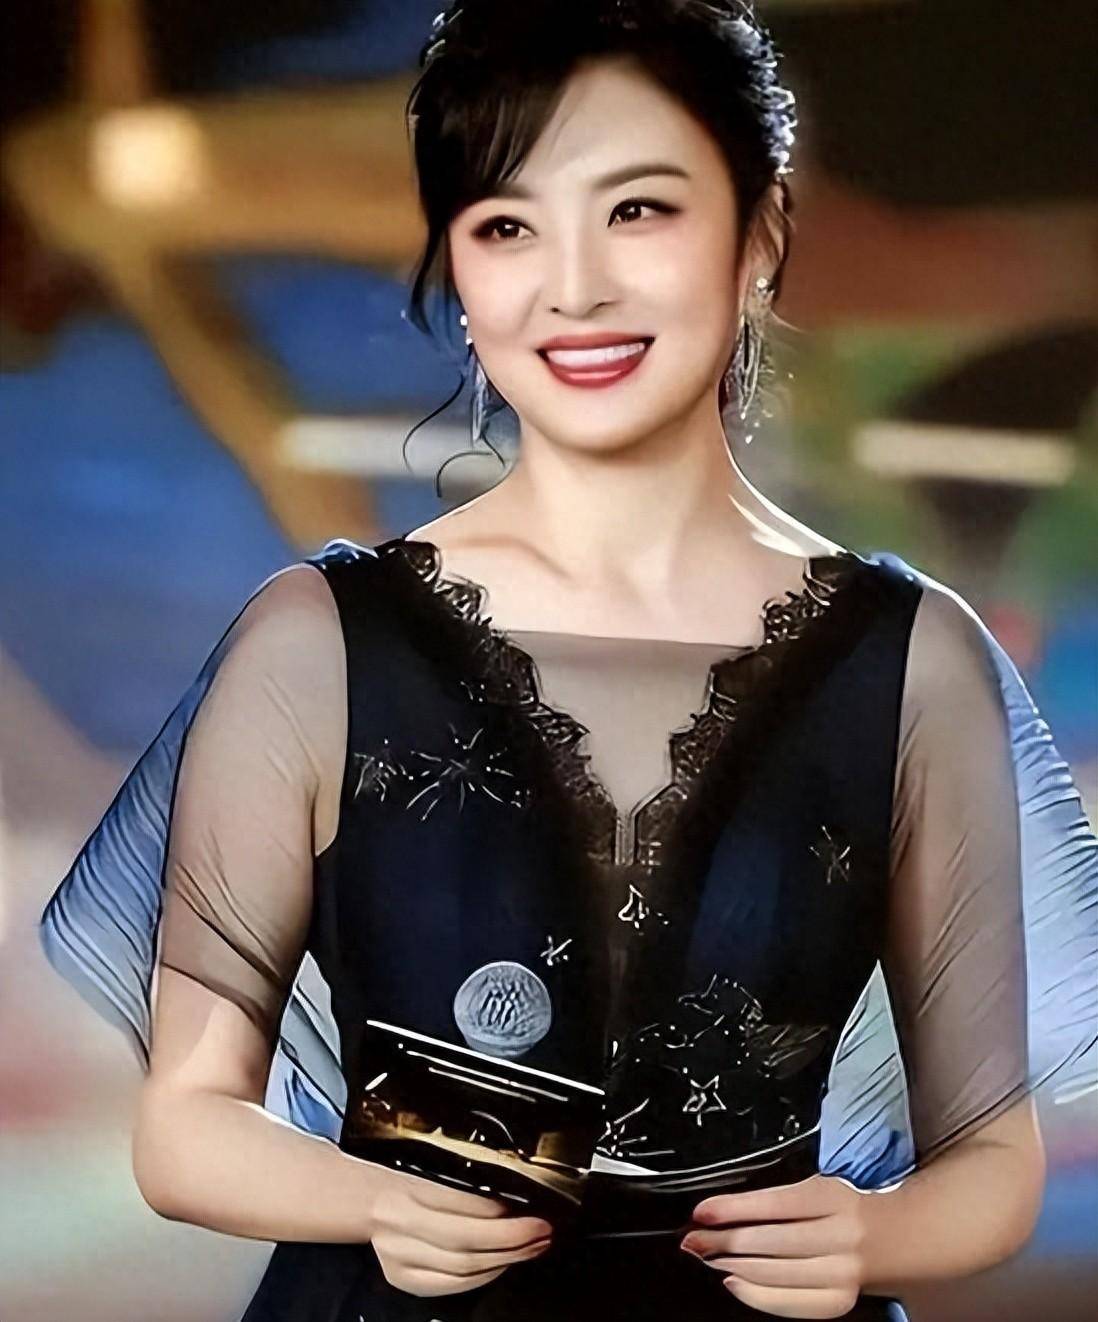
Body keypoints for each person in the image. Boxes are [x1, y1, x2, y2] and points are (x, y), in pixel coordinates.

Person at [39, 2, 1097, 1320]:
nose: (574, 285)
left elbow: (991, 1160)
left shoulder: (910, 657)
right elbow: (184, 1126)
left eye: (638, 210)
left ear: (762, 232)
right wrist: (370, 1202)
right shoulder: (315, 641)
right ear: (455, 266)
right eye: (505, 227)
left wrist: (876, 1233)